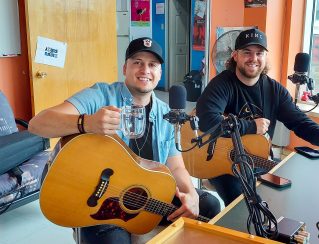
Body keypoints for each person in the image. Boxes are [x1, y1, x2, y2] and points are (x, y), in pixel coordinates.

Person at [29, 37, 220, 244]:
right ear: (125, 68)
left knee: (208, 205)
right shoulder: (100, 95)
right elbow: (37, 124)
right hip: (99, 201)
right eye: (137, 62)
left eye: (152, 65)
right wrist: (87, 122)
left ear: (159, 73)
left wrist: (191, 194)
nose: (145, 70)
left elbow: (176, 166)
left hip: (145, 195)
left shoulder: (166, 114)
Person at [196, 27, 319, 206]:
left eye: (259, 53)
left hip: (258, 159)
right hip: (223, 164)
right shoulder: (222, 84)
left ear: (265, 57)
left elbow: (299, 122)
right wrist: (251, 126)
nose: (253, 59)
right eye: (247, 52)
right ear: (235, 56)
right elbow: (207, 119)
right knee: (245, 206)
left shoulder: (274, 90)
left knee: (290, 193)